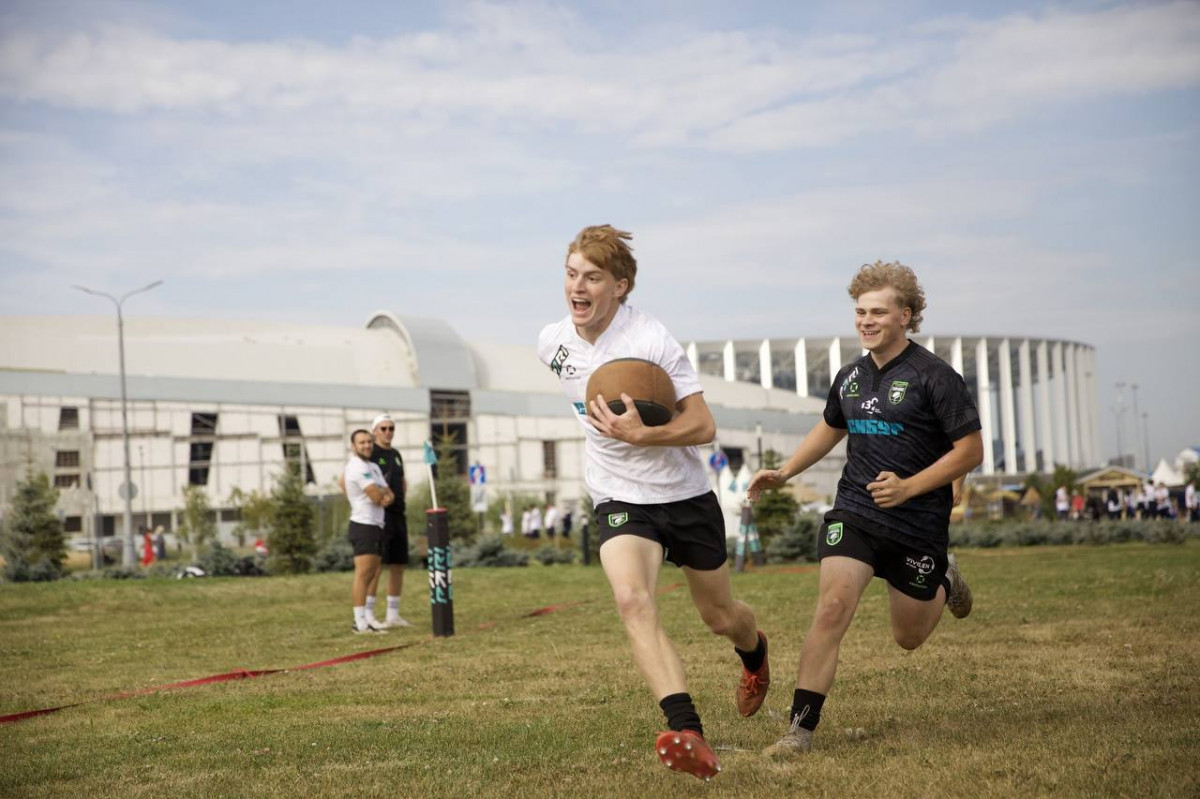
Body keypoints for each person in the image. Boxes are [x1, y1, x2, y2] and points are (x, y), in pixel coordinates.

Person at [537, 224, 769, 781]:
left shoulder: (652, 340)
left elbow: (703, 424)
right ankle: (688, 730)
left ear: (620, 287)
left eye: (592, 277)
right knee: (632, 599)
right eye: (571, 274)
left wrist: (644, 434)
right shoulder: (553, 343)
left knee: (719, 617)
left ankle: (755, 651)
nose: (578, 286)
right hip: (618, 494)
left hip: (684, 495)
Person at [747, 260, 982, 758]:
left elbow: (970, 451)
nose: (866, 321)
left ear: (907, 315)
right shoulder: (849, 376)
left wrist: (911, 487)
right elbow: (831, 427)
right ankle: (799, 733)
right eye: (859, 312)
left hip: (916, 522)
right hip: (855, 510)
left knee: (908, 637)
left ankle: (943, 577)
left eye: (878, 312)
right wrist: (785, 471)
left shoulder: (936, 377)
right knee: (831, 608)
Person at [342, 429, 394, 634]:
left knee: (374, 572)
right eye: (361, 442)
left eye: (369, 442)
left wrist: (384, 494)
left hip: (376, 525)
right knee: (363, 574)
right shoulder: (355, 467)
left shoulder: (372, 467)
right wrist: (381, 494)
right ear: (353, 446)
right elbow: (376, 496)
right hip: (363, 525)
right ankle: (359, 622)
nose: (366, 446)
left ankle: (367, 618)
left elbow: (389, 494)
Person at [367, 414, 412, 628]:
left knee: (398, 564)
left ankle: (392, 615)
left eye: (391, 428)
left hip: (398, 514)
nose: (388, 432)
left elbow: (401, 481)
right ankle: (367, 614)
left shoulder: (396, 454)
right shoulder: (370, 453)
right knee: (376, 566)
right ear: (375, 430)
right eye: (383, 428)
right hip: (380, 516)